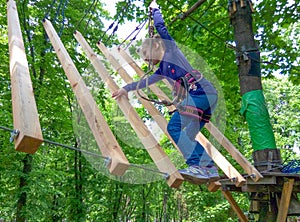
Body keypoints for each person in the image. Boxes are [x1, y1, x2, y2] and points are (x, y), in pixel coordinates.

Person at [112, 0, 219, 183]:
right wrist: (125, 89)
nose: (146, 60)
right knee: (188, 136)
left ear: (156, 47)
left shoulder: (171, 51)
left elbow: (161, 28)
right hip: (206, 97)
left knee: (173, 127)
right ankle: (208, 168)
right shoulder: (161, 70)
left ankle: (199, 166)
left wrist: (155, 10)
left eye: (146, 55)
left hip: (201, 93)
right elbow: (145, 81)